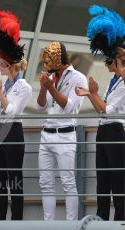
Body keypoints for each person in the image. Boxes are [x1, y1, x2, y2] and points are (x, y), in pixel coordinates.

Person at [75, 5, 125, 220]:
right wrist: (90, 94)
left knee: (117, 179)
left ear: (117, 62)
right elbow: (101, 108)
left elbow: (109, 111)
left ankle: (120, 218)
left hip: (116, 132)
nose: (106, 64)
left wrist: (93, 94)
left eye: (108, 61)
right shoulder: (114, 81)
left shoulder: (123, 83)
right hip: (105, 131)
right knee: (102, 178)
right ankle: (102, 217)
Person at [0, 9, 32, 220]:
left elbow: (12, 111)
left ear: (9, 65)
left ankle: (16, 221)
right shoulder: (4, 84)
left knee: (14, 178)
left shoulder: (24, 86)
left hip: (13, 132)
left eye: (1, 64)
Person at [36, 41, 88, 220]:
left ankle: (71, 223)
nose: (45, 64)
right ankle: (48, 223)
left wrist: (50, 87)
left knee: (67, 182)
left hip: (65, 135)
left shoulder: (78, 77)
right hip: (46, 134)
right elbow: (40, 107)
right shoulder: (50, 77)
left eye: (48, 59)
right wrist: (44, 88)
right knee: (45, 184)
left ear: (58, 58)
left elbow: (71, 108)